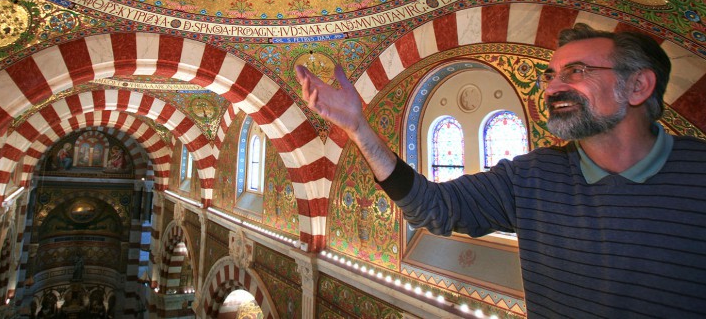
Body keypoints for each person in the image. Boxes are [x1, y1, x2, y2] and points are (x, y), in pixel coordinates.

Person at [296, 23, 706, 318]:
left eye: (576, 72)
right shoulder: (533, 176)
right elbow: (431, 208)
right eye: (550, 75)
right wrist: (358, 127)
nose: (551, 87)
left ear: (637, 87)